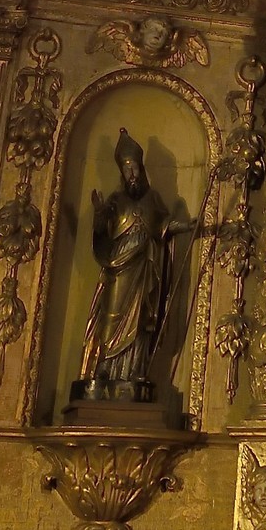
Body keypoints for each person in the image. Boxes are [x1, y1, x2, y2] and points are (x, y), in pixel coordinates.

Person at [75, 129, 178, 399]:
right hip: (117, 269)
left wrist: (184, 226)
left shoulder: (153, 199)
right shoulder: (115, 200)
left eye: (134, 168)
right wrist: (98, 213)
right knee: (111, 318)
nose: (131, 174)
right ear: (122, 171)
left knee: (140, 320)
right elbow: (102, 228)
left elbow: (163, 226)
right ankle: (105, 369)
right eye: (127, 169)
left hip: (143, 269)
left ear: (141, 169)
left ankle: (132, 372)